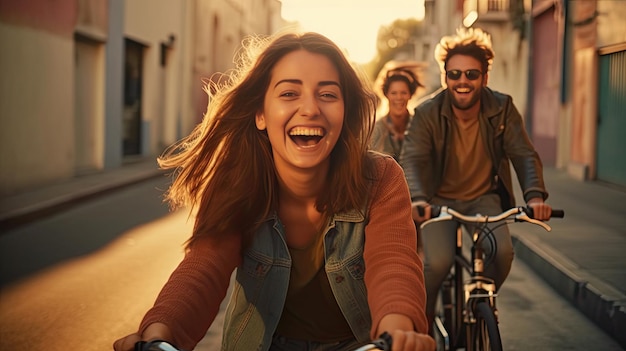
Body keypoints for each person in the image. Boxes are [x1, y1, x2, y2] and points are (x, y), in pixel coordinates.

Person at [113, 31, 435, 351]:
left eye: (327, 95)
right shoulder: (236, 184)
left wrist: (398, 332)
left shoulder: (380, 178)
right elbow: (203, 266)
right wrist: (159, 334)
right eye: (289, 93)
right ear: (261, 114)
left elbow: (393, 262)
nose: (310, 109)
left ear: (345, 112)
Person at [399, 27, 553, 332]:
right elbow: (413, 158)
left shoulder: (502, 108)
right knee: (438, 264)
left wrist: (535, 197)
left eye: (471, 74)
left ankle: (479, 297)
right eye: (454, 74)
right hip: (438, 201)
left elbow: (523, 154)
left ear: (484, 77)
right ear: (445, 77)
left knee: (503, 254)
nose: (462, 81)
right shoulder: (427, 112)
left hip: (485, 198)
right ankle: (423, 326)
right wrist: (416, 198)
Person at [370, 68, 422, 161]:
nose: (399, 97)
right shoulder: (375, 130)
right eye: (394, 93)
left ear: (410, 94)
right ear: (386, 95)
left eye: (404, 93)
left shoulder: (421, 126)